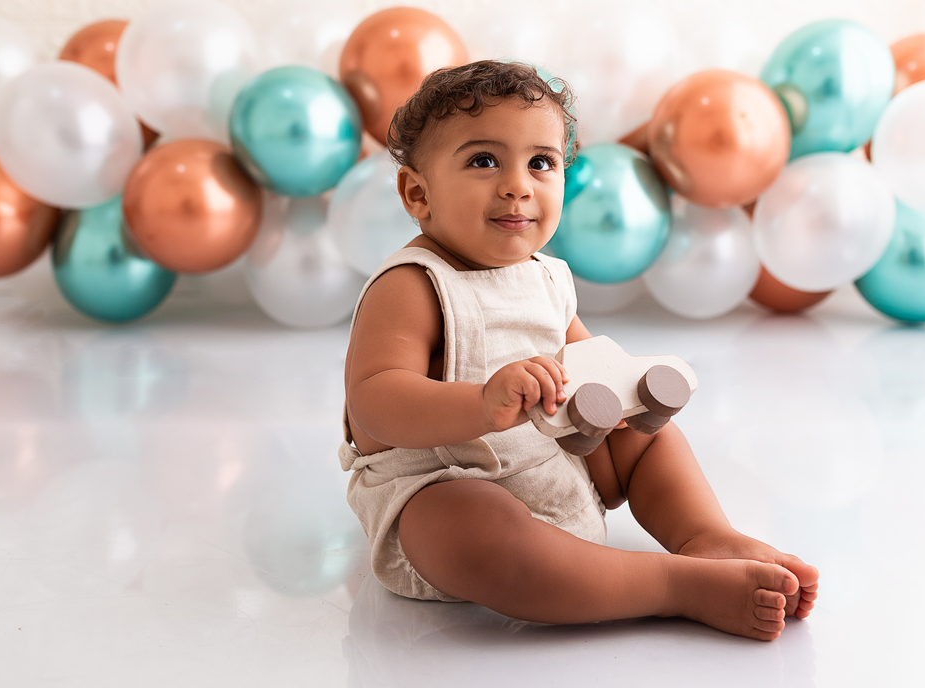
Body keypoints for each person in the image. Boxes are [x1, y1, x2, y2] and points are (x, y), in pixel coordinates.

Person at [338, 60, 818, 641]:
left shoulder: (549, 278)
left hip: (552, 465)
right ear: (418, 191)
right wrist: (482, 403)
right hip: (446, 487)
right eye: (484, 160)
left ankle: (703, 535)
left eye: (541, 162)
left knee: (647, 438)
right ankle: (671, 585)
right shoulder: (413, 285)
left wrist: (627, 401)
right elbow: (376, 403)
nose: (518, 184)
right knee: (473, 528)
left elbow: (590, 371)